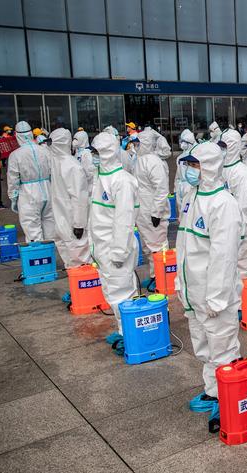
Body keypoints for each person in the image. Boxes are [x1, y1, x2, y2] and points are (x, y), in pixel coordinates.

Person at [175, 142, 243, 423]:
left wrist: (216, 297)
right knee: (203, 345)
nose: (191, 171)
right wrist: (181, 283)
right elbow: (182, 242)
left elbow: (224, 256)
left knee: (222, 347)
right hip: (193, 290)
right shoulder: (192, 195)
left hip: (216, 295)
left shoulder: (223, 204)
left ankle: (229, 401)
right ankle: (213, 391)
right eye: (189, 165)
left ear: (211, 167)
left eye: (196, 165)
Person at [89, 132, 139, 352]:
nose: (93, 157)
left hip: (115, 249)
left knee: (122, 293)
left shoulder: (123, 181)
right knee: (113, 291)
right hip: (102, 248)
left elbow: (124, 221)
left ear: (107, 153)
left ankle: (129, 334)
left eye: (96, 153)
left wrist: (118, 252)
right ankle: (123, 329)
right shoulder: (100, 177)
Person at [48, 128, 91, 276]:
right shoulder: (56, 162)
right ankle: (76, 289)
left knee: (79, 257)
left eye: (50, 142)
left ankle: (85, 292)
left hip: (72, 219)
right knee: (68, 257)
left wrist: (79, 224)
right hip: (61, 218)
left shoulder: (72, 166)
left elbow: (80, 198)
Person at [132, 130, 170, 288]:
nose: (135, 146)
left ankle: (164, 278)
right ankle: (155, 276)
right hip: (143, 211)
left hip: (153, 211)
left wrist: (156, 212)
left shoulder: (153, 161)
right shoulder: (140, 160)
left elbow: (161, 189)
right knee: (149, 246)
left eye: (138, 143)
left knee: (158, 246)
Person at [7, 121, 55, 242]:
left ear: (17, 136)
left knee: (32, 229)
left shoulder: (15, 155)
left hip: (28, 194)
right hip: (47, 189)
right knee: (50, 227)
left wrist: (13, 197)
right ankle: (50, 255)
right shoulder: (45, 150)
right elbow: (53, 172)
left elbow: (13, 179)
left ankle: (38, 255)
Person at [220, 128, 247, 277]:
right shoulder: (221, 169)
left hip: (240, 232)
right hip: (225, 229)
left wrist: (237, 234)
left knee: (241, 275)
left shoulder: (241, 173)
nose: (221, 150)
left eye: (224, 147)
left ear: (233, 146)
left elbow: (244, 209)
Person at [175, 129, 197, 221]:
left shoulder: (196, 156)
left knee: (190, 211)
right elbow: (177, 176)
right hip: (181, 186)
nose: (181, 144)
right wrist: (175, 188)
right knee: (181, 212)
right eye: (181, 141)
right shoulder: (180, 157)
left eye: (184, 142)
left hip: (190, 186)